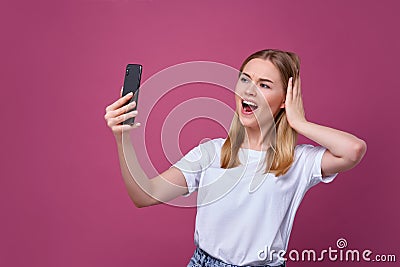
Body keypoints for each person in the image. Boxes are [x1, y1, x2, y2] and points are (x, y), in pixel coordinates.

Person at [104, 49, 367, 267]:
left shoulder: (299, 162)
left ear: (285, 100)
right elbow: (144, 195)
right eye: (245, 79)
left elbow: (353, 149)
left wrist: (299, 121)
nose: (249, 91)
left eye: (264, 85)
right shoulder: (211, 153)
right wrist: (122, 138)